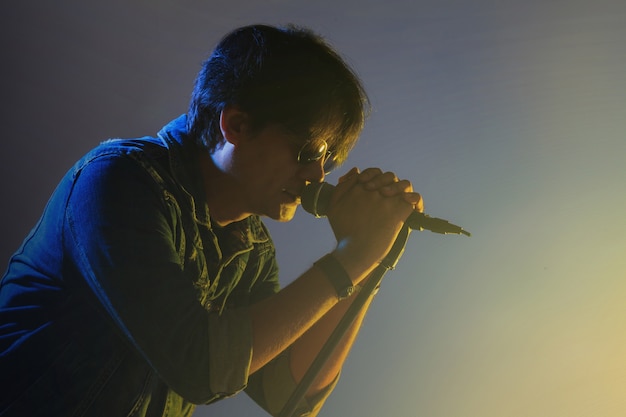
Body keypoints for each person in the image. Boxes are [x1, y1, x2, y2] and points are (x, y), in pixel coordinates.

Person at [0, 24, 422, 416]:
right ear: (236, 124)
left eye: (329, 161)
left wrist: (367, 262)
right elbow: (200, 364)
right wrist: (351, 256)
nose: (317, 176)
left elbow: (287, 395)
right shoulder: (118, 182)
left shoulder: (251, 250)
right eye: (308, 153)